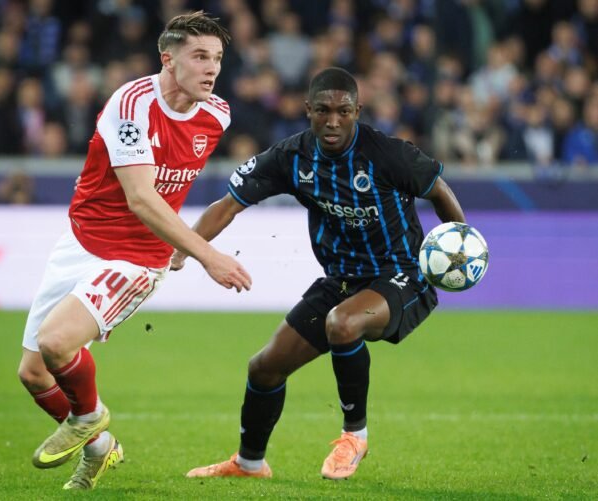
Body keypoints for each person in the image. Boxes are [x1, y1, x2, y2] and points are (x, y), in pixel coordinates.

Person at [176, 67, 466, 480]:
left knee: (342, 324)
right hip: (341, 280)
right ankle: (249, 464)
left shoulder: (388, 154)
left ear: (357, 111)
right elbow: (227, 206)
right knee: (264, 367)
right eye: (323, 111)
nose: (333, 121)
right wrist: (184, 250)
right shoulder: (291, 157)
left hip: (401, 275)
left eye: (343, 111)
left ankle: (354, 437)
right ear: (307, 110)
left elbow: (439, 190)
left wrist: (460, 244)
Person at [16, 11, 251, 491]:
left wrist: (178, 249)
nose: (211, 68)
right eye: (199, 56)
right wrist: (207, 254)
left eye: (217, 58)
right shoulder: (131, 104)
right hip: (81, 241)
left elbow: (166, 193)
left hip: (138, 257)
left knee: (56, 343)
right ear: (168, 59)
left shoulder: (218, 115)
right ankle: (100, 446)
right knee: (34, 373)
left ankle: (88, 417)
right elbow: (142, 197)